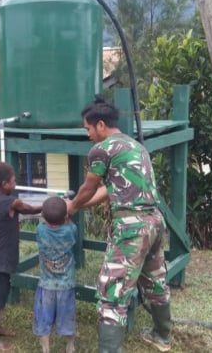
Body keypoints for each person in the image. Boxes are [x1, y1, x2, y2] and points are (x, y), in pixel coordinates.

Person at [66, 95, 171, 352]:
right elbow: (109, 191)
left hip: (131, 228)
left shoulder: (101, 150)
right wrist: (78, 204)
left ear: (100, 125)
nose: (88, 134)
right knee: (155, 280)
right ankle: (161, 335)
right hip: (154, 223)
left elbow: (88, 187)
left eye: (88, 129)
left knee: (112, 292)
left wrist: (72, 205)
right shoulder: (134, 146)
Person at [0, 161, 42, 351]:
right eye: (14, 180)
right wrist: (54, 204)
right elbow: (30, 210)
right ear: (5, 184)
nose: (16, 182)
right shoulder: (11, 202)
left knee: (1, 294)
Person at [33, 196, 77, 353]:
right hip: (66, 284)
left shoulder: (40, 230)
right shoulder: (70, 230)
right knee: (67, 315)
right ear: (65, 216)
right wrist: (68, 212)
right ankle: (70, 346)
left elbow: (46, 222)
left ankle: (46, 348)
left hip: (46, 284)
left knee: (43, 316)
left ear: (44, 216)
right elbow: (71, 225)